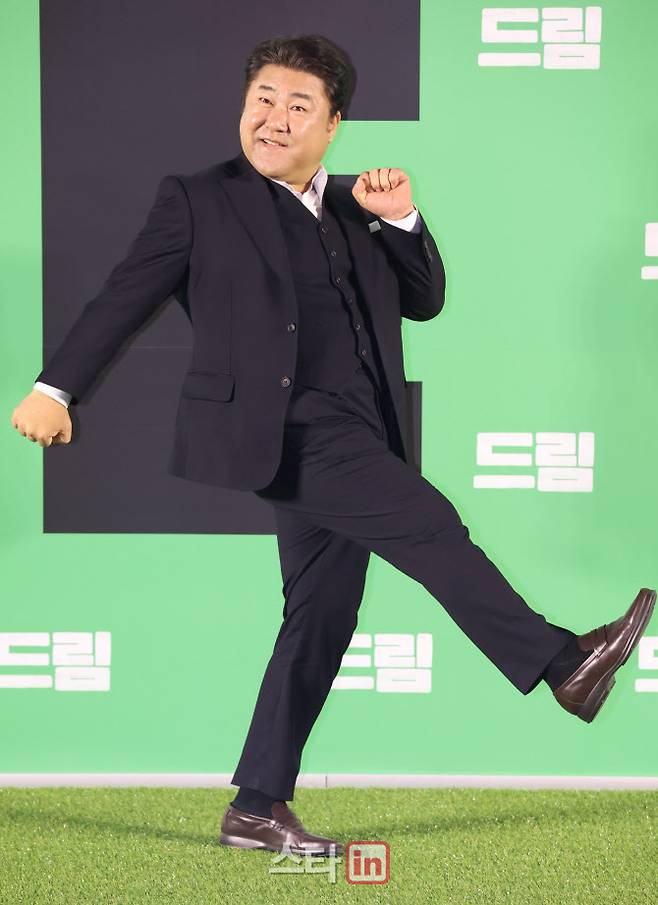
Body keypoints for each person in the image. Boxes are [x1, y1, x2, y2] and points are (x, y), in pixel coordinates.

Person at [10, 34, 655, 858]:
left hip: (362, 424)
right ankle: (563, 664)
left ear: (333, 123)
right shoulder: (200, 200)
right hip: (281, 431)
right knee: (430, 525)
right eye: (263, 100)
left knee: (321, 615)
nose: (273, 119)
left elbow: (425, 299)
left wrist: (404, 219)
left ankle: (255, 805)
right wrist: (55, 388)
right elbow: (122, 296)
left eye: (297, 105)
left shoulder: (358, 201)